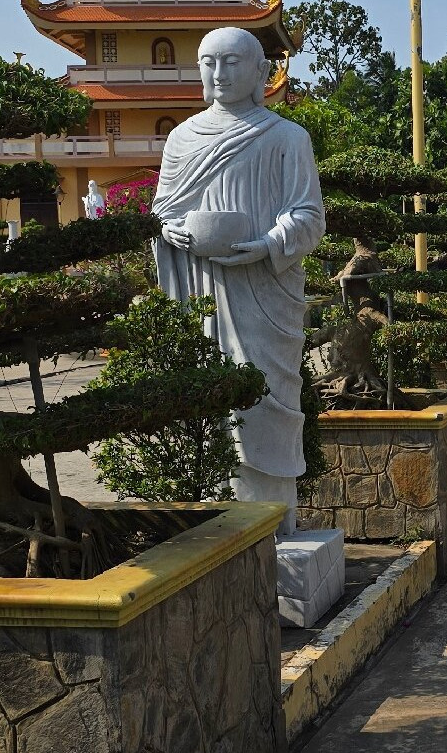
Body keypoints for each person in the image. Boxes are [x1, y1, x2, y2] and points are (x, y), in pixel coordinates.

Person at [152, 27, 325, 534]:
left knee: (265, 398)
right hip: (201, 285)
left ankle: (272, 524)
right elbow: (163, 210)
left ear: (259, 72)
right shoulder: (181, 139)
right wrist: (170, 232)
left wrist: (269, 244)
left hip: (266, 294)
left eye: (231, 61)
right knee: (208, 405)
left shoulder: (287, 137)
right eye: (209, 61)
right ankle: (218, 529)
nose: (219, 73)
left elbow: (309, 215)